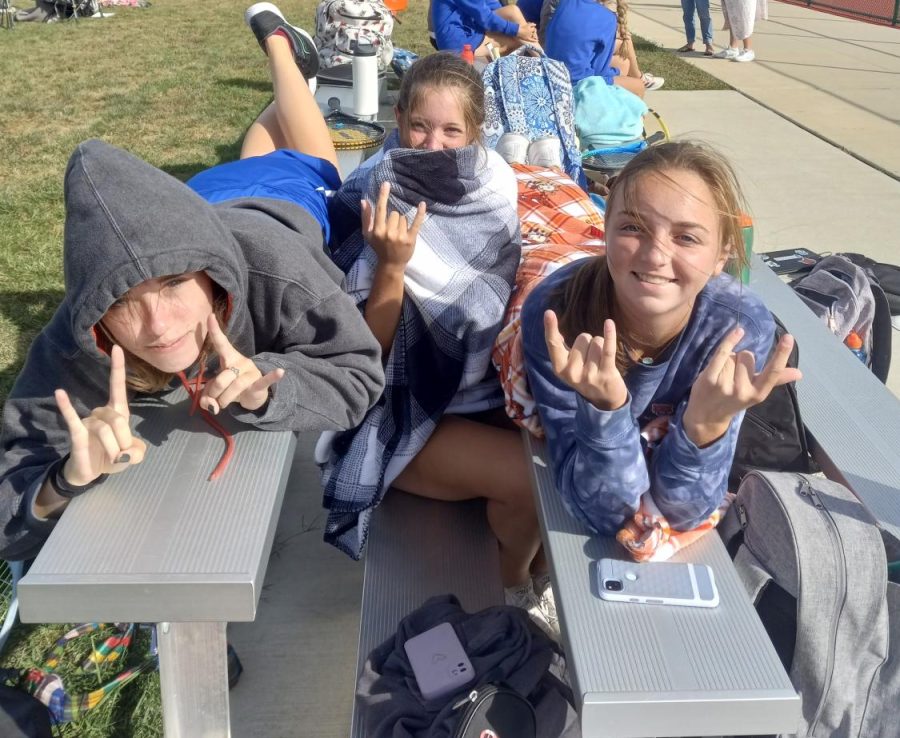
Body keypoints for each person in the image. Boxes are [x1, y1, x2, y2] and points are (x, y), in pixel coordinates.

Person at [0, 3, 385, 561]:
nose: (159, 327)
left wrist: (269, 388)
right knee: (268, 140)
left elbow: (359, 375)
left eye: (176, 284)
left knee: (313, 155)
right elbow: (9, 514)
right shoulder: (77, 335)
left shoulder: (280, 272)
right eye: (125, 302)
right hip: (198, 201)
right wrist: (60, 483)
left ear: (212, 277)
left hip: (281, 202)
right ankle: (284, 63)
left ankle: (281, 47)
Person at [318, 53, 559, 636]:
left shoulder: (494, 180)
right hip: (406, 404)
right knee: (529, 481)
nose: (432, 143)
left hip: (477, 385)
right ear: (398, 118)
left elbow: (489, 288)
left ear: (476, 133)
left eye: (451, 130)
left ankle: (541, 575)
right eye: (420, 125)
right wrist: (394, 267)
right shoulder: (376, 192)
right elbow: (366, 353)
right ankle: (511, 596)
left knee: (568, 460)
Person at [520, 141, 801, 536]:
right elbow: (603, 514)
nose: (655, 256)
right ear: (606, 231)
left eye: (687, 238)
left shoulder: (736, 329)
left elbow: (682, 514)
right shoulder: (557, 317)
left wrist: (706, 424)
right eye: (633, 228)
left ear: (721, 255)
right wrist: (606, 409)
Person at [543, 0, 662, 99]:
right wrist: (617, 73)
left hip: (552, 73)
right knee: (638, 86)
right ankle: (632, 125)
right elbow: (600, 71)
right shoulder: (607, 18)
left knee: (623, 63)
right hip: (576, 84)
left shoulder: (565, 4)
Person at [431, 0, 540, 59]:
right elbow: (485, 18)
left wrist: (523, 28)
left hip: (468, 29)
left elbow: (493, 7)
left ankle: (544, 61)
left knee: (512, 11)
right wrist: (518, 30)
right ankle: (547, 64)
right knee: (518, 41)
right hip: (458, 43)